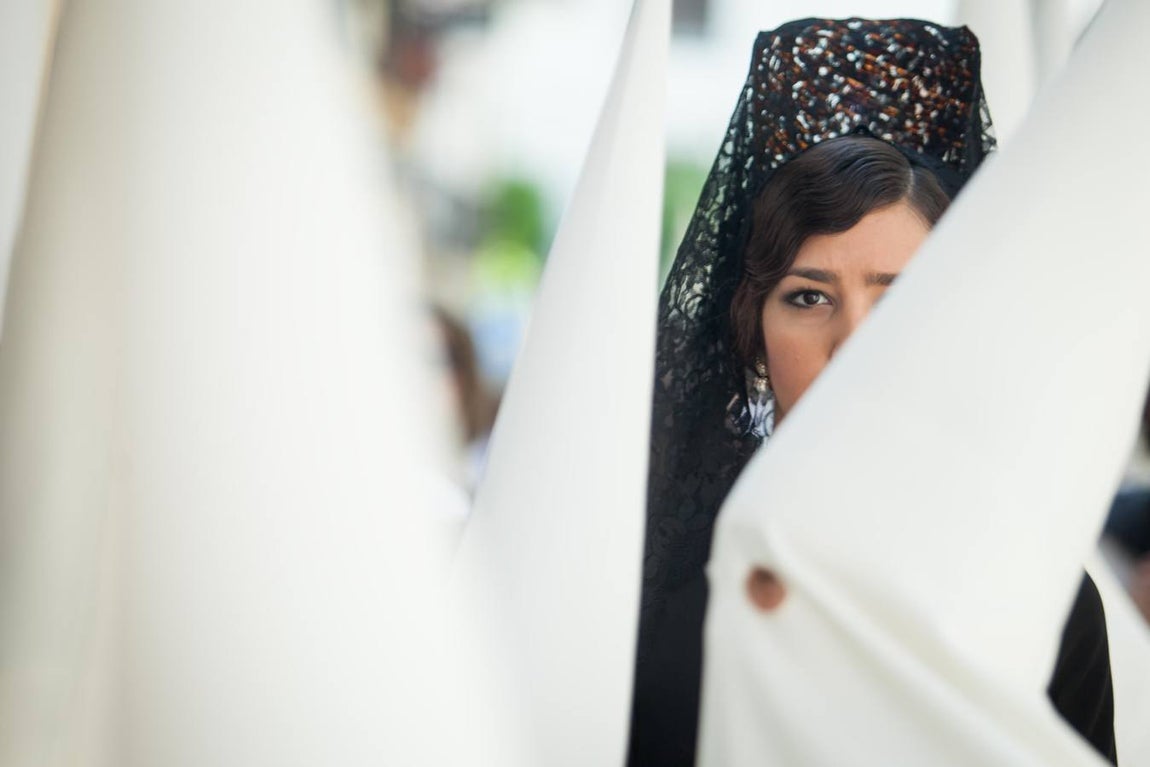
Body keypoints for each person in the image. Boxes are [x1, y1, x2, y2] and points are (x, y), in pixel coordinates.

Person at [628, 18, 1116, 766]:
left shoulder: (1042, 589)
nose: (856, 341)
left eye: (902, 298)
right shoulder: (648, 572)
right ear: (751, 328)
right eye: (808, 297)